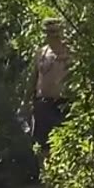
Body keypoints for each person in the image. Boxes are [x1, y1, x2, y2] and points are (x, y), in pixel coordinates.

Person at [30, 17, 71, 166]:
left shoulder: (70, 52)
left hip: (63, 103)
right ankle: (47, 177)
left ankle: (65, 177)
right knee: (43, 143)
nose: (52, 35)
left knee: (64, 141)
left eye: (55, 31)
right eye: (48, 32)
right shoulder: (41, 52)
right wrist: (27, 99)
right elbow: (34, 77)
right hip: (43, 103)